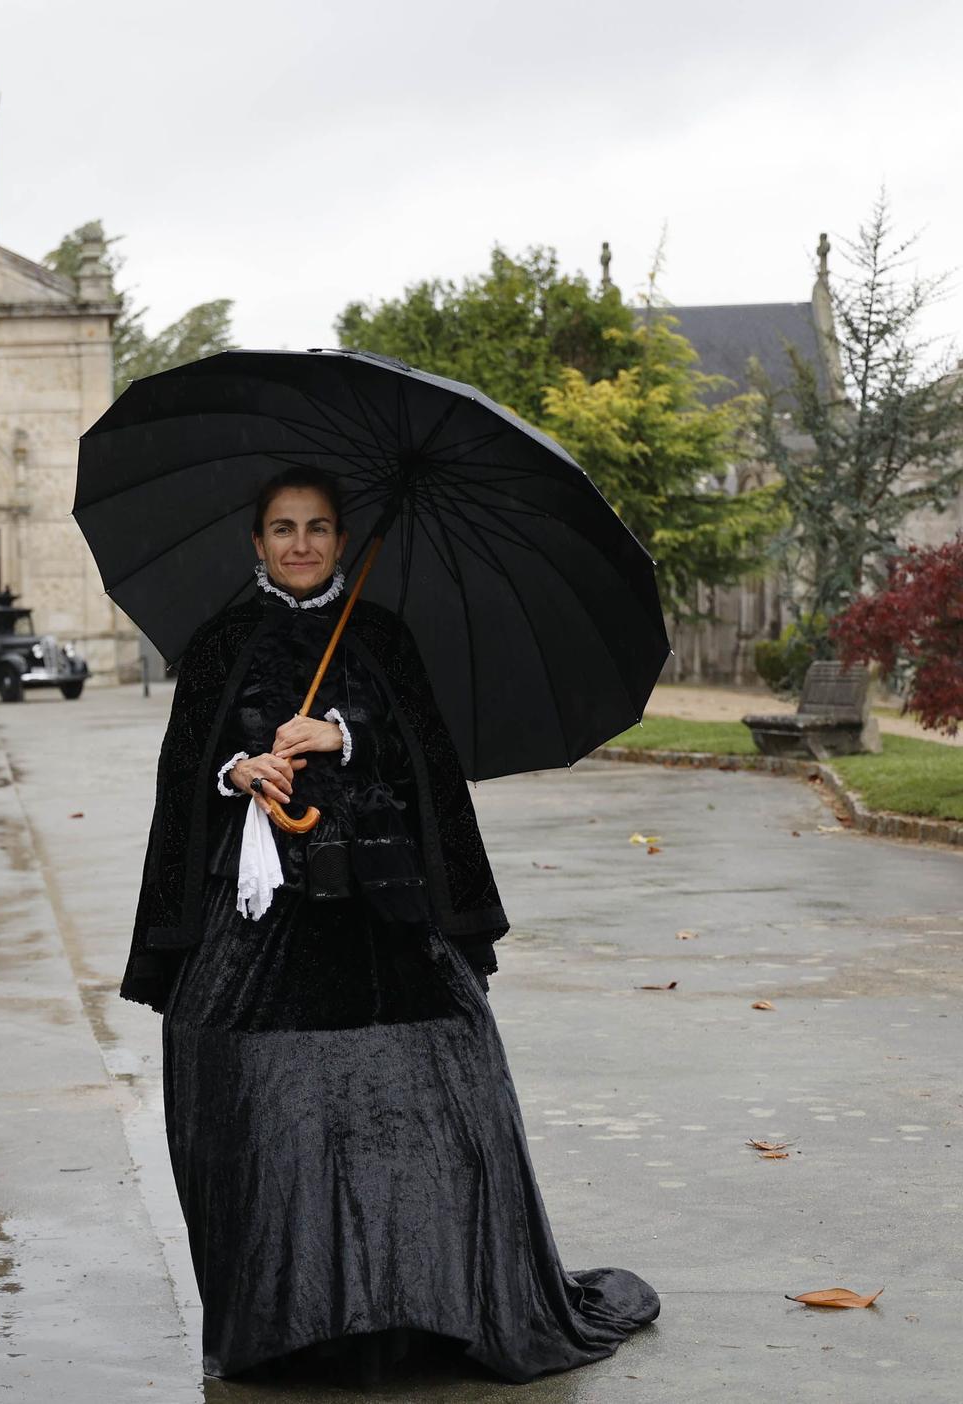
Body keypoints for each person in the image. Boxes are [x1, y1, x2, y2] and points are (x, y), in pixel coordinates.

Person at [123, 466, 659, 1384]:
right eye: (283, 529)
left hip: (384, 905)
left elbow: (430, 762)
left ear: (341, 538)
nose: (300, 544)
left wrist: (344, 733)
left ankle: (426, 1308)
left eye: (318, 528)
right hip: (257, 912)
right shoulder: (220, 645)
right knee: (258, 1093)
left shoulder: (378, 635)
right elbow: (185, 772)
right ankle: (297, 1319)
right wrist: (240, 772)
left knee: (434, 1090)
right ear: (256, 544)